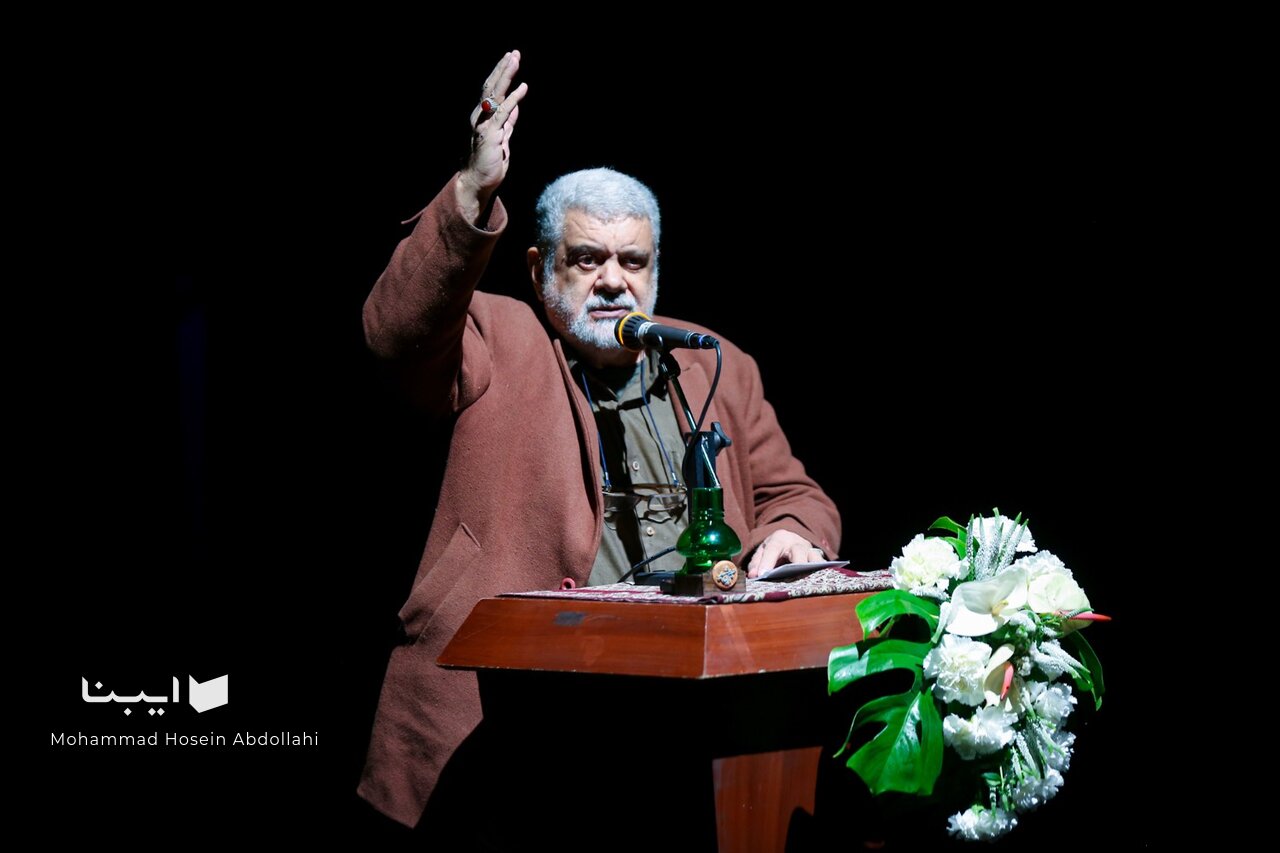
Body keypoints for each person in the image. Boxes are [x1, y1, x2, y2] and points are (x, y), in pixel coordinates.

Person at [358, 50, 841, 830]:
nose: (614, 280)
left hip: (682, 724)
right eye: (587, 259)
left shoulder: (712, 360)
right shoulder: (495, 333)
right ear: (538, 268)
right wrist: (471, 191)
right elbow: (395, 334)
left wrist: (789, 532)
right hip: (512, 724)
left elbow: (797, 495)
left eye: (633, 261)